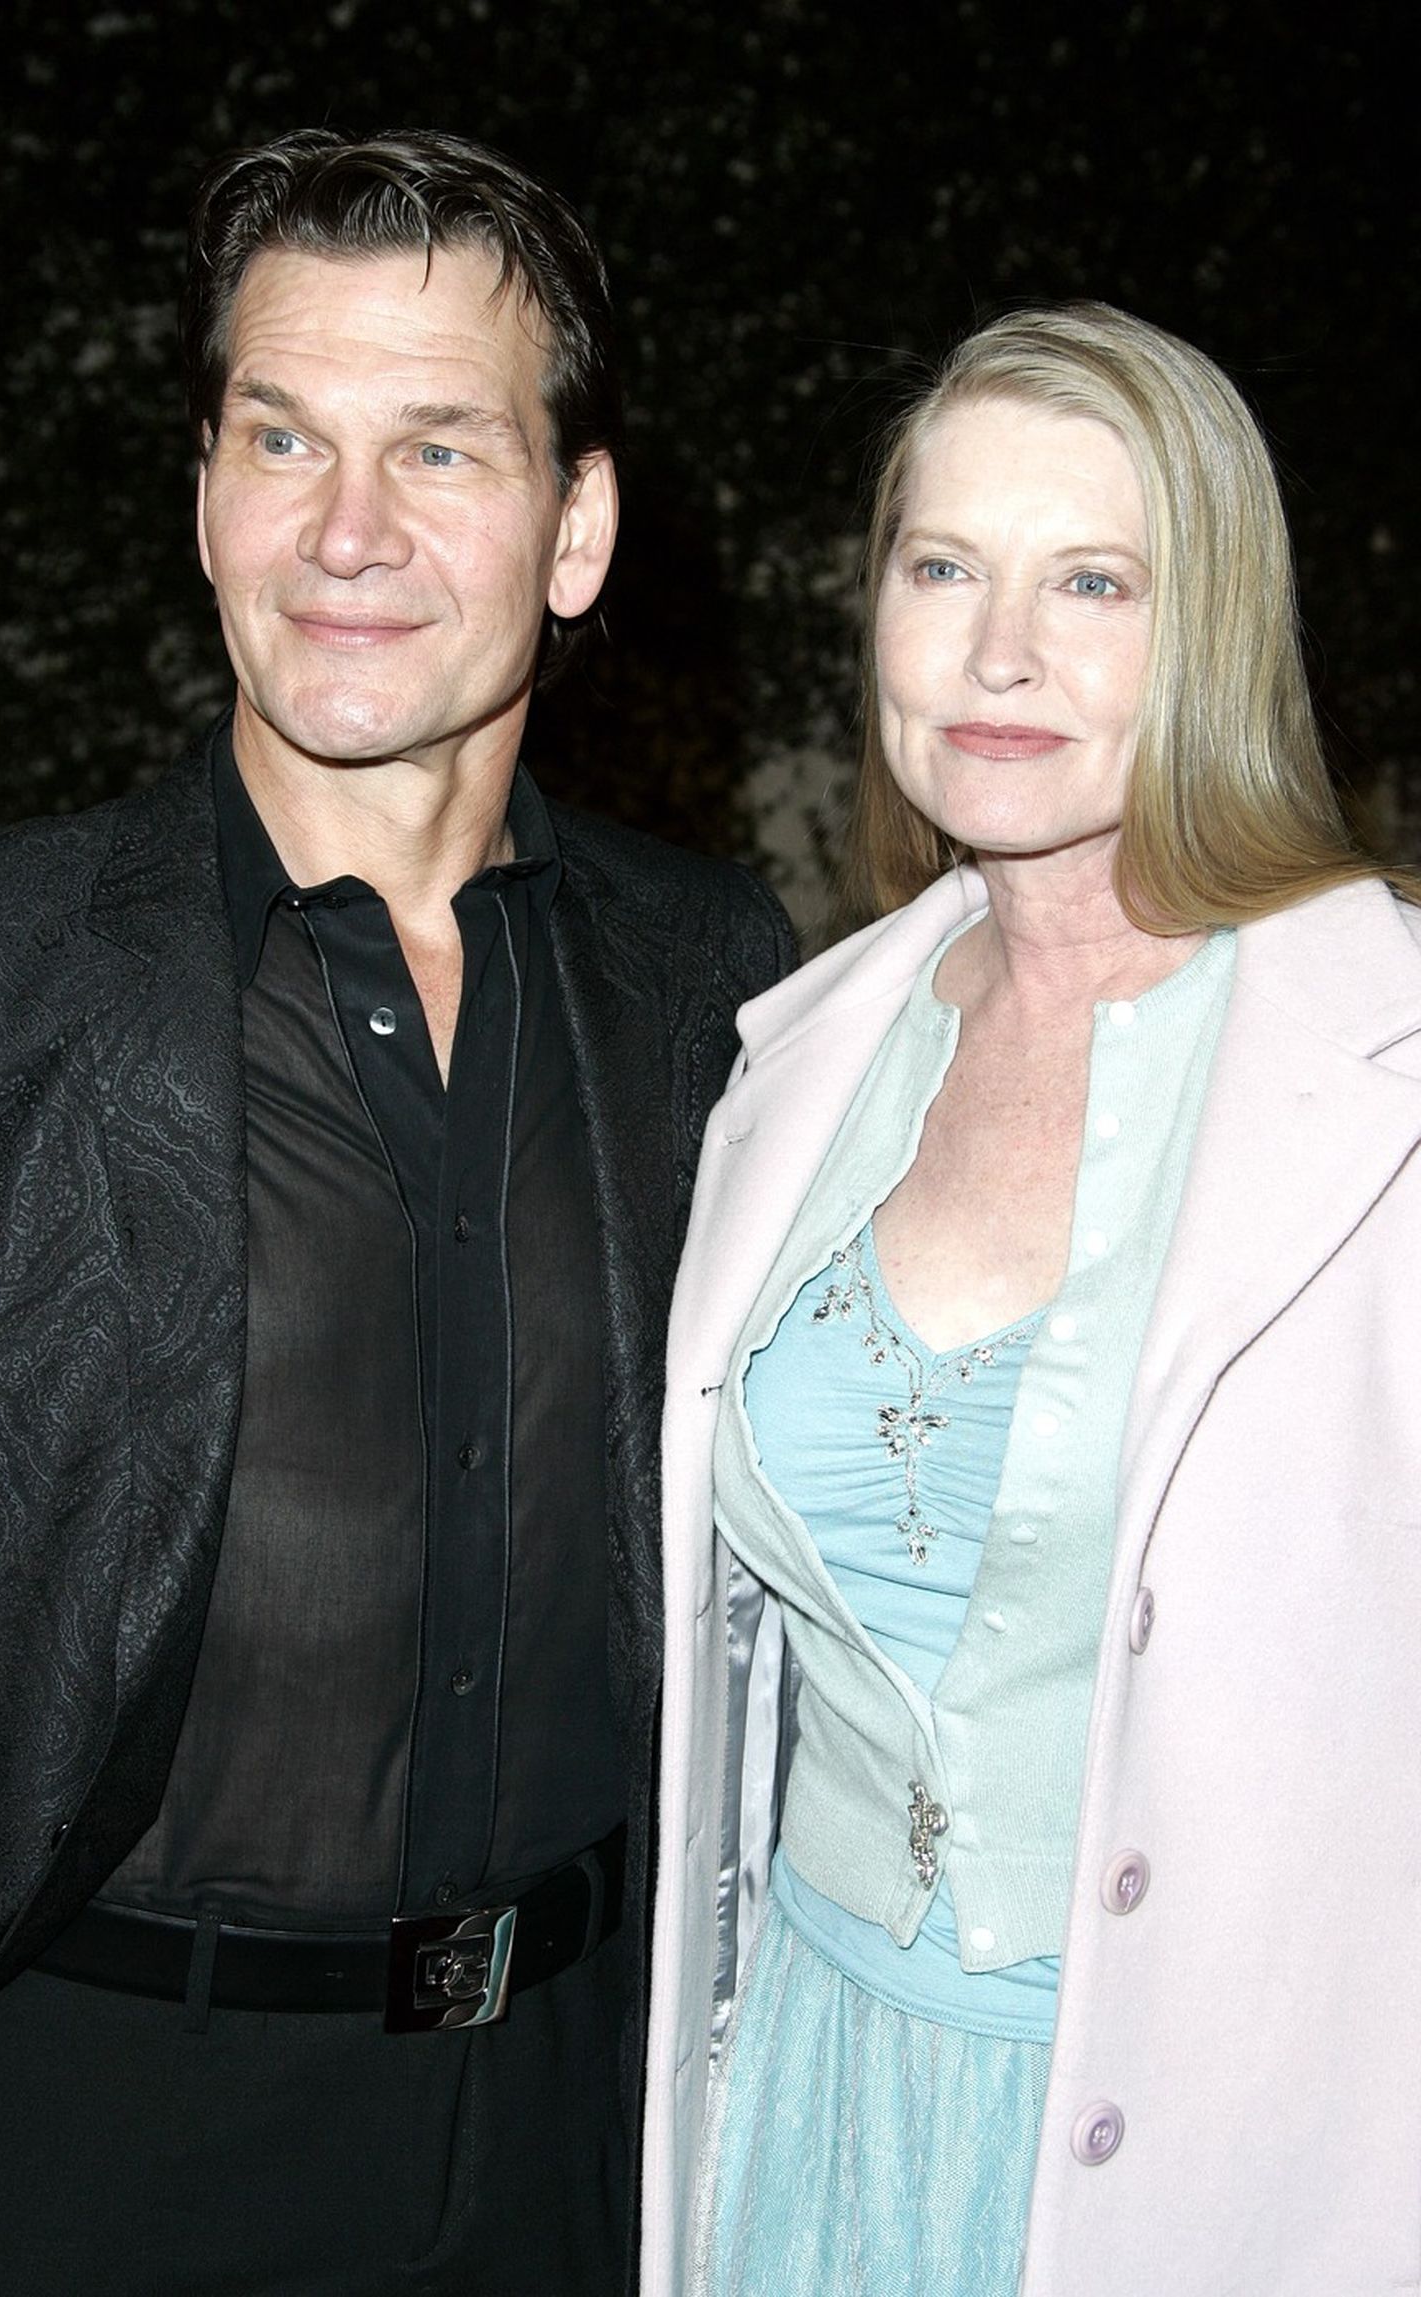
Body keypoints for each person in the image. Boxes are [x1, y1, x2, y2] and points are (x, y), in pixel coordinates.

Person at [0, 128, 792, 2296]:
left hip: (578, 2137)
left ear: (577, 529)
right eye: (281, 438)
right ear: (206, 494)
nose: (346, 529)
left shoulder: (725, 988)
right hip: (75, 2142)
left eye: (441, 449)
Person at [641, 299, 1421, 2297]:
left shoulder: (1390, 1079)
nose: (1001, 650)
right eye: (943, 569)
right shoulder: (794, 1061)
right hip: (808, 2103)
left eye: (1093, 581)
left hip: (1233, 2156)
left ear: (1217, 633)